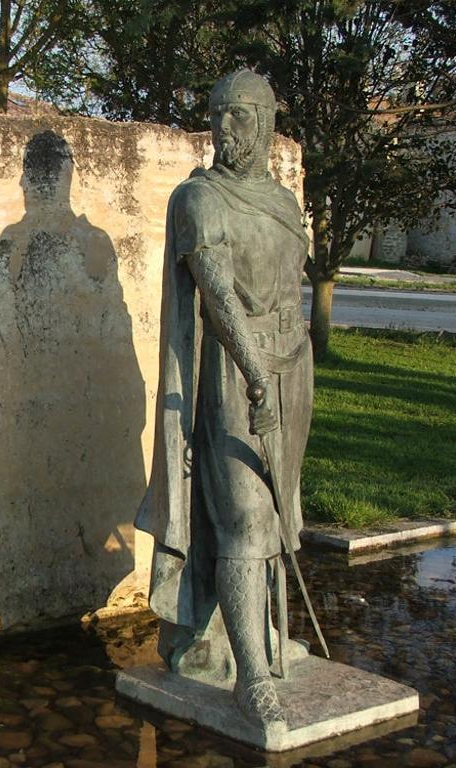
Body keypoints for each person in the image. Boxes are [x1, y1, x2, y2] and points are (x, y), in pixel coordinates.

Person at [136, 68, 313, 733]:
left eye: (237, 115)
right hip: (231, 370)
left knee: (278, 510)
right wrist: (254, 373)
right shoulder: (199, 199)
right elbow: (216, 292)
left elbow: (290, 289)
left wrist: (281, 370)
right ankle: (254, 682)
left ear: (266, 123)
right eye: (216, 114)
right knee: (243, 514)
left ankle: (255, 638)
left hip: (293, 366)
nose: (222, 128)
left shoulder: (285, 204)